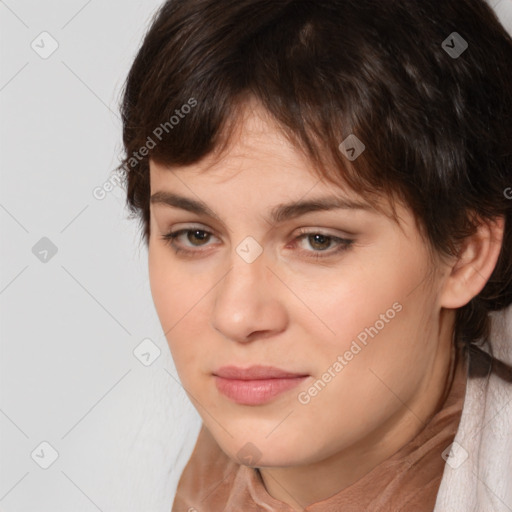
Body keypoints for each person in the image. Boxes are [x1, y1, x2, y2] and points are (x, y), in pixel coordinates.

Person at [117, 0, 512, 510]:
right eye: (195, 235)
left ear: (464, 254)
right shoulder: (199, 485)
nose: (236, 315)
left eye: (318, 240)